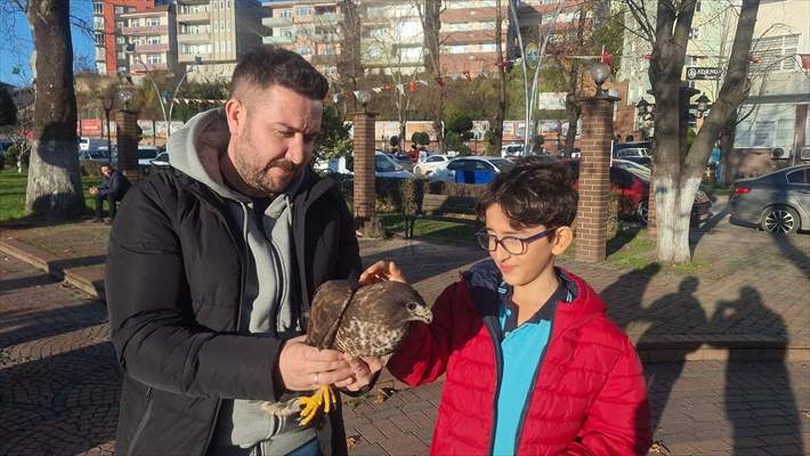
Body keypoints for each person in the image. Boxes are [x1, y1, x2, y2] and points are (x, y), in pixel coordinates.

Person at [105, 46, 382, 456]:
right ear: (236, 116)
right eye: (284, 132)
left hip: (306, 440)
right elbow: (142, 341)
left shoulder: (324, 203)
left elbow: (342, 313)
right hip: (198, 443)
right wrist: (273, 366)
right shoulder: (158, 203)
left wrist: (360, 359)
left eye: (310, 137)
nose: (299, 154)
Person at [363, 158, 652, 455]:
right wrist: (400, 307)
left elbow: (621, 440)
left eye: (514, 239)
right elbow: (417, 369)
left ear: (558, 239)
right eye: (491, 236)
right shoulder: (466, 302)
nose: (499, 253)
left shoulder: (605, 345)